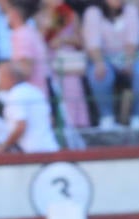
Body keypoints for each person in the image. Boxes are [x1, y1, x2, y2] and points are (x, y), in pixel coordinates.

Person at [82, 0, 139, 127]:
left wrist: (129, 61)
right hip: (104, 58)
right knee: (98, 74)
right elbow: (93, 43)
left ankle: (138, 116)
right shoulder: (93, 12)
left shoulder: (131, 10)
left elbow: (133, 39)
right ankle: (107, 117)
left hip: (128, 57)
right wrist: (99, 62)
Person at [0, 55, 57, 148]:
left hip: (34, 152)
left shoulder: (16, 95)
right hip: (49, 147)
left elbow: (21, 127)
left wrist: (1, 148)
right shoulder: (34, 90)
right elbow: (51, 120)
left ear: (10, 77)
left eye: (0, 76)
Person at [37, 0, 88, 129]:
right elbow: (37, 41)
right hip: (46, 59)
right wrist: (46, 28)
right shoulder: (39, 16)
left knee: (72, 85)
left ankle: (76, 125)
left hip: (67, 61)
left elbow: (81, 41)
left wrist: (63, 39)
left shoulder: (69, 14)